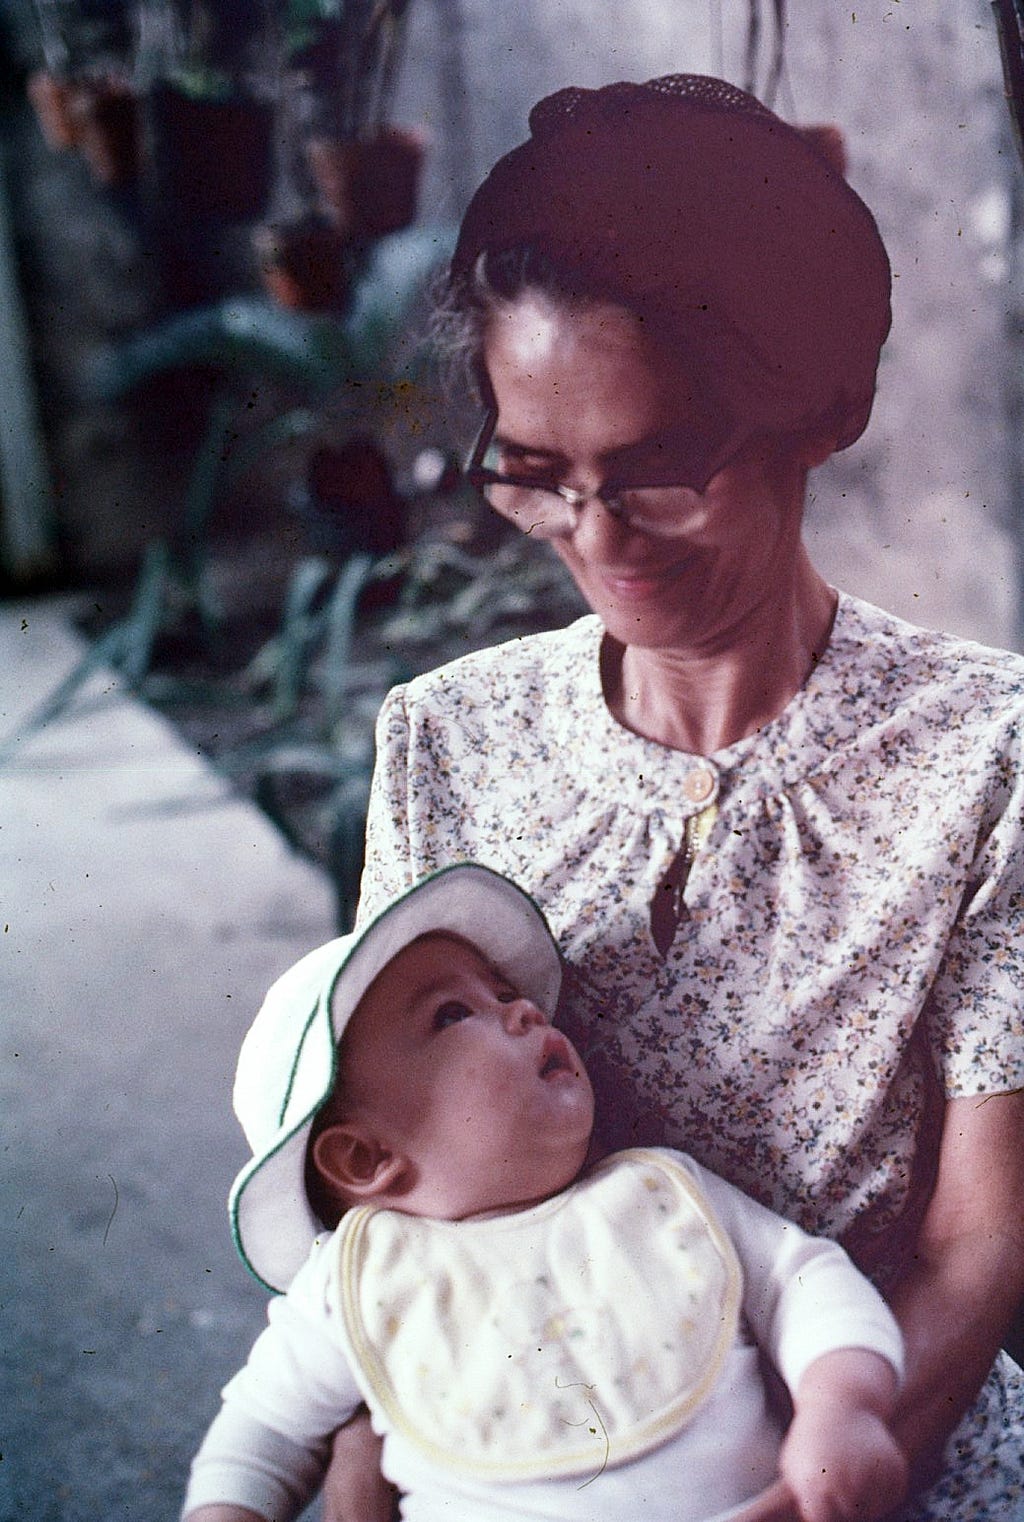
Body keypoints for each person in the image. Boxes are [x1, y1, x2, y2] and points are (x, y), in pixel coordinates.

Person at [332, 74, 1023, 1522]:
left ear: (809, 417)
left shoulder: (989, 756)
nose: (597, 539)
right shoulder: (447, 741)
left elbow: (975, 1253)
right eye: (536, 476)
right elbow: (388, 1222)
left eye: (659, 471)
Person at [182, 862, 908, 1522]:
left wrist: (842, 1406)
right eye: (452, 1014)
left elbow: (805, 1280)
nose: (524, 1010)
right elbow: (263, 1432)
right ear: (366, 1157)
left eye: (505, 992)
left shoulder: (662, 1196)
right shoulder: (357, 1285)